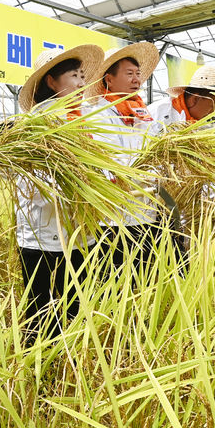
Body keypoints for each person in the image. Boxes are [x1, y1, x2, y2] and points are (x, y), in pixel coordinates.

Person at [15, 45, 104, 342]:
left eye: (82, 76)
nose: (81, 83)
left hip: (81, 233)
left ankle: (71, 364)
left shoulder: (84, 121)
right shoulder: (33, 126)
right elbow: (30, 187)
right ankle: (38, 370)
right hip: (41, 237)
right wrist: (76, 184)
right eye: (73, 76)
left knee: (77, 306)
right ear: (51, 82)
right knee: (41, 311)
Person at [84, 42, 161, 275]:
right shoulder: (95, 113)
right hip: (114, 222)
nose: (137, 80)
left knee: (146, 280)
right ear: (109, 79)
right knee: (116, 284)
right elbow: (110, 163)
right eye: (129, 74)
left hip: (146, 214)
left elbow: (155, 152)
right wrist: (148, 172)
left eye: (138, 74)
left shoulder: (142, 114)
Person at [147, 65, 215, 124]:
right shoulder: (158, 113)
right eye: (211, 106)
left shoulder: (198, 123)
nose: (212, 112)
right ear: (194, 99)